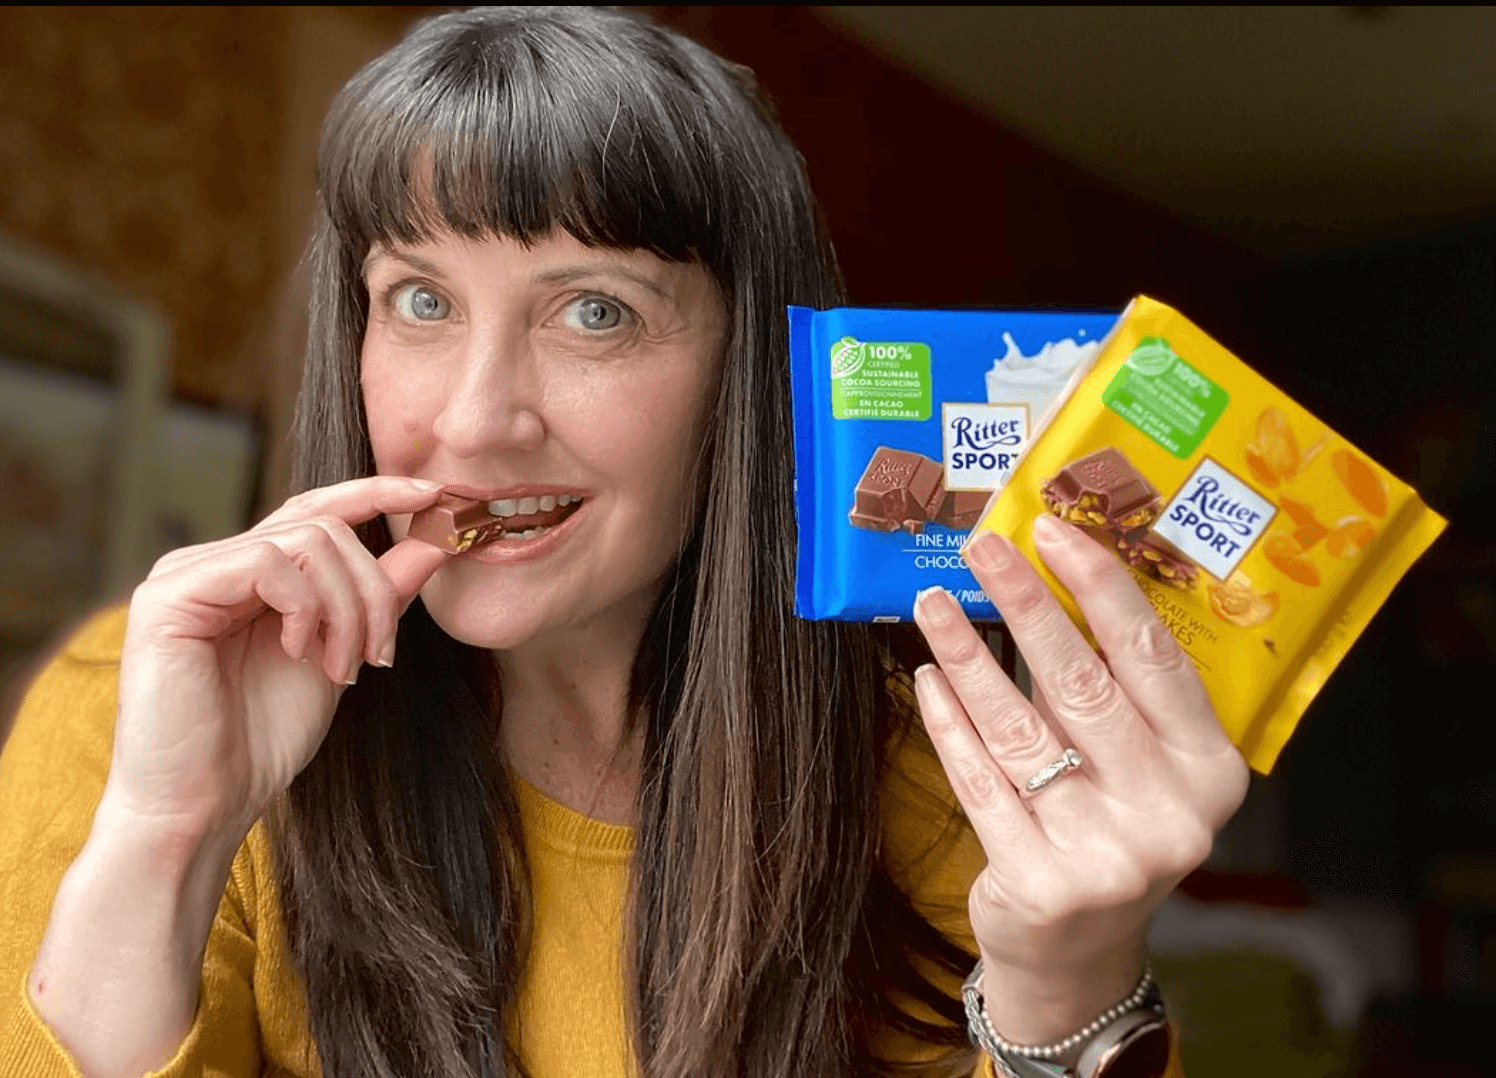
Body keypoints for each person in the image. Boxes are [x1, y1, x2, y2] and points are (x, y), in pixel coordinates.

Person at [0, 8, 1248, 1078]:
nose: (476, 418)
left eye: (594, 311)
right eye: (420, 300)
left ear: (749, 376)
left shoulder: (951, 784)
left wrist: (1069, 978)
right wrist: (171, 836)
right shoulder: (155, 699)